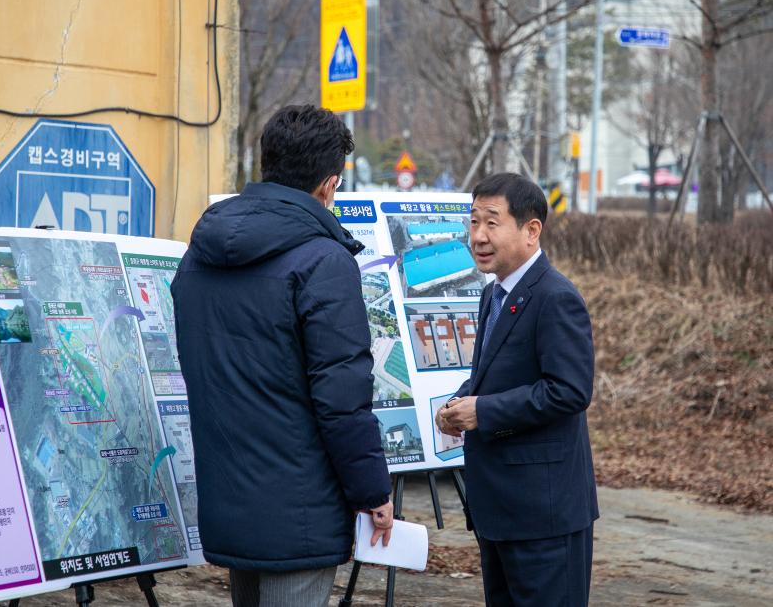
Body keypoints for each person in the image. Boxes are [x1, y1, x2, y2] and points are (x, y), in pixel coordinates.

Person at [171, 104, 393, 607]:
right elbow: (341, 400)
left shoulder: (199, 254)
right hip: (300, 512)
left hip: (227, 497)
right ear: (329, 184)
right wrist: (372, 492)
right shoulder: (323, 260)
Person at [436, 172, 598, 606]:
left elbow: (569, 391)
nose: (478, 236)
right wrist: (459, 402)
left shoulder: (555, 296)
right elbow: (494, 373)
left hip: (544, 515)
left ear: (531, 231)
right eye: (473, 222)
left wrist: (483, 411)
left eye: (492, 222)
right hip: (500, 510)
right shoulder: (494, 295)